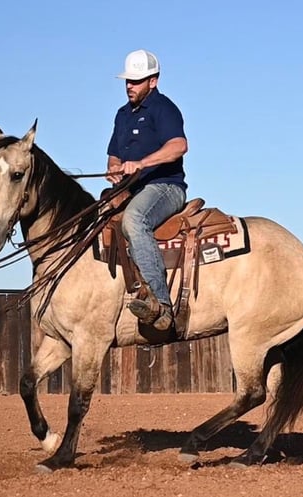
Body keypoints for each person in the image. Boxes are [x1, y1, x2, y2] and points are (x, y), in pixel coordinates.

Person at [106, 49, 188, 331]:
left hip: (165, 187)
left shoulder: (164, 108)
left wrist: (141, 164)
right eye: (128, 80)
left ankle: (162, 304)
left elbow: (179, 146)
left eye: (136, 81)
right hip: (132, 190)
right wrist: (115, 168)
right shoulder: (122, 115)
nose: (130, 86)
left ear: (153, 81)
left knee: (134, 220)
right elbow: (114, 155)